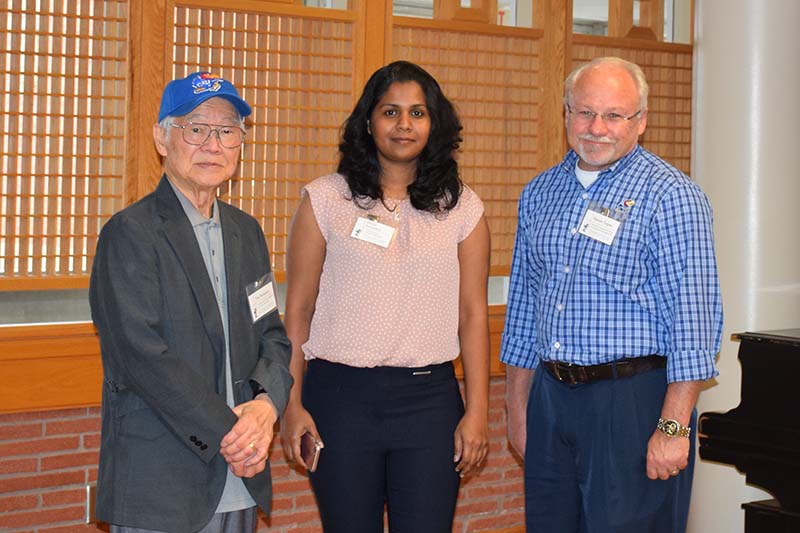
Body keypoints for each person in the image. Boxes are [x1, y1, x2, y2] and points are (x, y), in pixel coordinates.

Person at [500, 56, 723, 533]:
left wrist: (672, 428)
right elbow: (522, 309)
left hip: (632, 402)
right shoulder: (539, 193)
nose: (596, 128)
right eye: (584, 112)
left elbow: (694, 321)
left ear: (640, 121)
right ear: (565, 115)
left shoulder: (672, 196)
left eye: (614, 115)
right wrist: (518, 410)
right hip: (551, 399)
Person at [279, 60, 490, 533]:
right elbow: (297, 310)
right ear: (368, 122)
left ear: (435, 124)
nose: (404, 124)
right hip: (339, 400)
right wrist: (291, 406)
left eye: (418, 112)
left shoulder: (463, 208)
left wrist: (477, 411)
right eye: (390, 112)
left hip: (429, 403)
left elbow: (474, 316)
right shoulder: (325, 200)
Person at [89, 72, 293, 533]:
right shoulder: (130, 234)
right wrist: (236, 434)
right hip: (163, 482)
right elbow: (140, 356)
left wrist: (266, 408)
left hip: (240, 476)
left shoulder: (247, 232)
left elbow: (273, 337)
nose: (213, 145)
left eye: (227, 132)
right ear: (162, 137)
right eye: (196, 129)